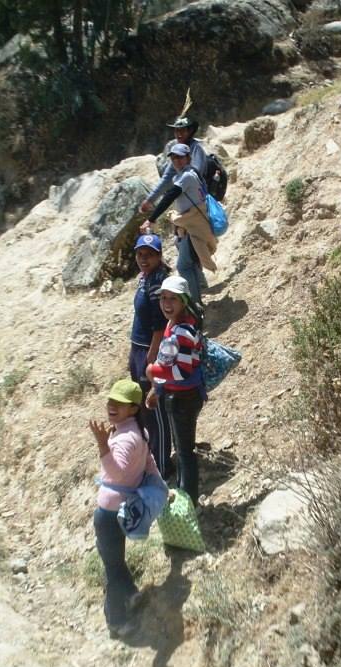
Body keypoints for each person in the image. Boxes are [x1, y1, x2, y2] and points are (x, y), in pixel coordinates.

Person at [89, 379, 159, 638]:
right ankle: (131, 595)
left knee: (112, 567)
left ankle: (117, 622)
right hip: (123, 508)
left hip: (108, 512)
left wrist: (102, 445)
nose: (112, 406)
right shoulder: (139, 433)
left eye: (119, 403)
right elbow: (149, 462)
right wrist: (160, 487)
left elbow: (116, 474)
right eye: (110, 401)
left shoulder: (124, 438)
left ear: (134, 408)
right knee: (115, 561)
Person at [145, 276, 205, 507]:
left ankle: (188, 504)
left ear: (183, 301)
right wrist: (157, 388)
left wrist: (153, 371)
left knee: (185, 453)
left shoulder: (182, 331)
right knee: (183, 449)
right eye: (163, 298)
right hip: (178, 396)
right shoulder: (176, 324)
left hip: (183, 398)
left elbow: (182, 370)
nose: (166, 303)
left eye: (172, 299)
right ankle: (185, 496)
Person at [140, 143, 217, 306]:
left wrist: (151, 219)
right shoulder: (191, 173)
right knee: (192, 261)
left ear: (188, 158)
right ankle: (201, 288)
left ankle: (196, 305)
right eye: (174, 157)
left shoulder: (187, 176)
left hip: (192, 226)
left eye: (180, 157)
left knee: (184, 266)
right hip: (191, 225)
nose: (177, 160)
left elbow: (170, 196)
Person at [128, 233, 172, 478]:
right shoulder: (145, 278)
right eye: (140, 254)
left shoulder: (159, 283)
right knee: (141, 406)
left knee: (153, 407)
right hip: (138, 347)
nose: (143, 259)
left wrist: (152, 356)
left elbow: (159, 323)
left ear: (159, 256)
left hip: (148, 350)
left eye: (149, 255)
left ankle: (163, 464)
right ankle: (151, 458)